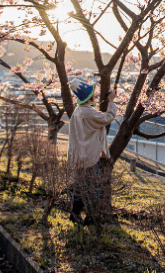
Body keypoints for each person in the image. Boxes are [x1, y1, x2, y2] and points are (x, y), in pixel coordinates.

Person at [66, 78, 117, 224]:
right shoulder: (87, 112)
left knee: (82, 184)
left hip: (80, 154)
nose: (95, 95)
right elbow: (108, 118)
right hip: (89, 154)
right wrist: (111, 102)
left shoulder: (79, 111)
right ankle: (91, 217)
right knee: (93, 186)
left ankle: (75, 214)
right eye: (92, 94)